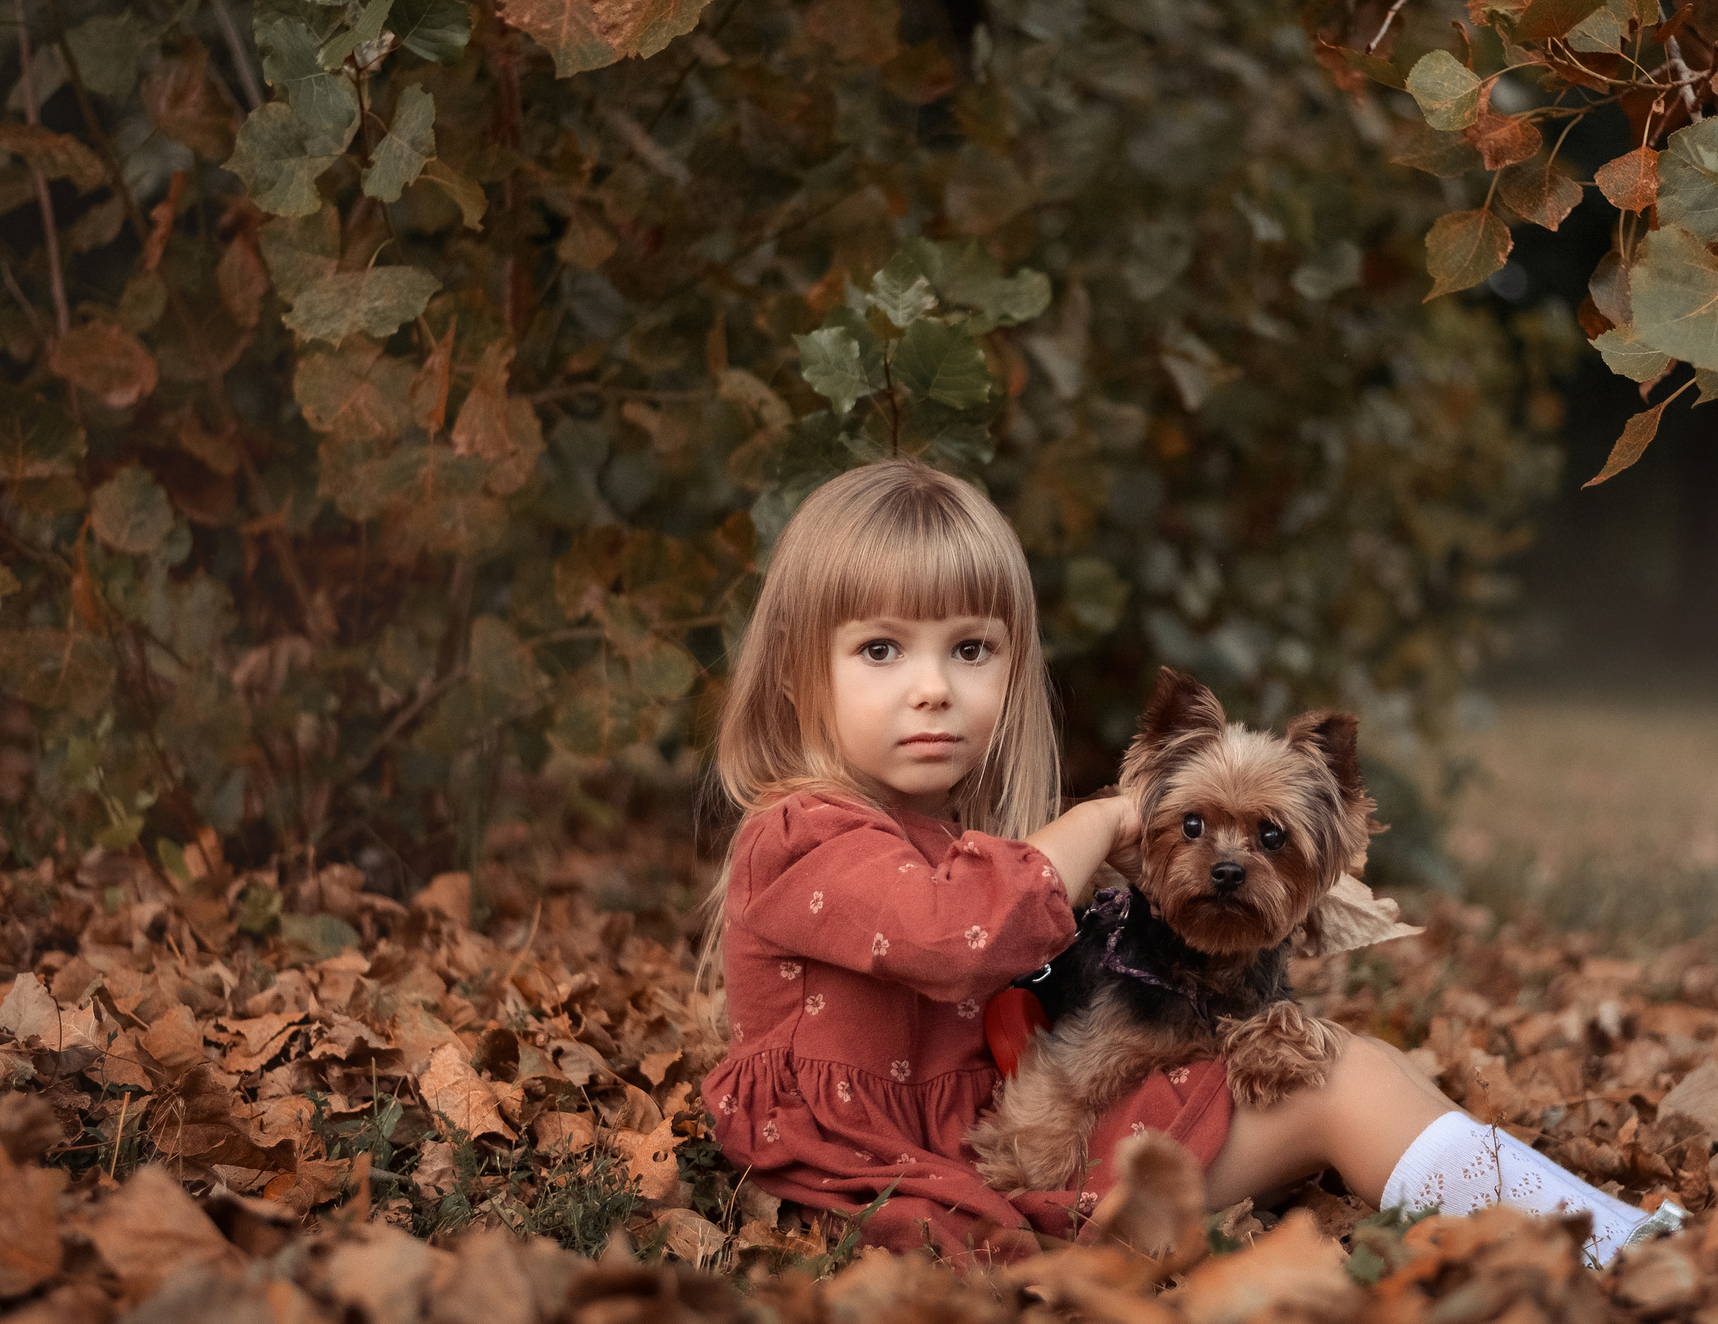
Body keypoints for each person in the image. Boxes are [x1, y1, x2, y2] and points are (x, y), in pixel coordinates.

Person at [697, 457, 1657, 1264]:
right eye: (879, 649)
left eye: (971, 649)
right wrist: (1099, 821)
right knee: (1342, 1083)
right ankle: (1610, 1249)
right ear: (796, 673)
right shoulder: (797, 835)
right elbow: (960, 932)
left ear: (1013, 668)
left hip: (1000, 1139)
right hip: (908, 1172)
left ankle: (1584, 1230)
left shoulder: (954, 845)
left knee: (1354, 1064)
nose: (932, 689)